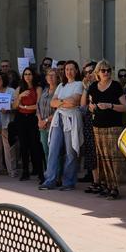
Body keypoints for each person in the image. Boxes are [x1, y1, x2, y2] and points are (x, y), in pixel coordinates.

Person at [84, 59, 126, 200]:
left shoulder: (115, 86)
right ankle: (106, 185)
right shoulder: (93, 87)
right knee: (102, 157)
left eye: (108, 70)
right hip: (98, 125)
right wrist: (92, 107)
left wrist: (110, 105)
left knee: (113, 157)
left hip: (114, 125)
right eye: (103, 70)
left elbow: (125, 107)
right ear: (98, 73)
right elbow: (90, 104)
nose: (106, 73)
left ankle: (115, 187)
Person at [40, 62, 84, 191]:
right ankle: (50, 180)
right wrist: (65, 102)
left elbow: (75, 102)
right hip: (58, 118)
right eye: (67, 69)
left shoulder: (79, 84)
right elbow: (53, 103)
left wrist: (60, 102)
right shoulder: (61, 85)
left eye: (71, 69)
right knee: (53, 149)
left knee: (71, 151)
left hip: (71, 119)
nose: (69, 71)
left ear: (76, 71)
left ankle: (68, 182)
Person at [15, 66, 45, 180]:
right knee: (23, 145)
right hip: (21, 118)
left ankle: (39, 171)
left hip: (33, 118)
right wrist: (20, 97)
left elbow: (38, 105)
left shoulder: (38, 88)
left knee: (35, 145)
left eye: (29, 74)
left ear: (33, 76)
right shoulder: (19, 88)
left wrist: (25, 106)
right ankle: (25, 171)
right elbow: (14, 106)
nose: (27, 76)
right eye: (25, 74)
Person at [0, 71, 19, 177]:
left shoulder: (11, 91)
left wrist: (9, 109)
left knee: (9, 147)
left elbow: (16, 106)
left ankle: (12, 170)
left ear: (4, 80)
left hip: (8, 122)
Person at [37, 67, 58, 166]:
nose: (50, 77)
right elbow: (38, 107)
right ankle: (48, 173)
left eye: (53, 75)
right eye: (48, 75)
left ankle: (56, 176)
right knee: (45, 151)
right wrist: (39, 121)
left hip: (53, 126)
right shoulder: (45, 90)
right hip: (42, 126)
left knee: (54, 152)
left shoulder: (59, 90)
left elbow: (58, 111)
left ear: (57, 77)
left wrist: (45, 120)